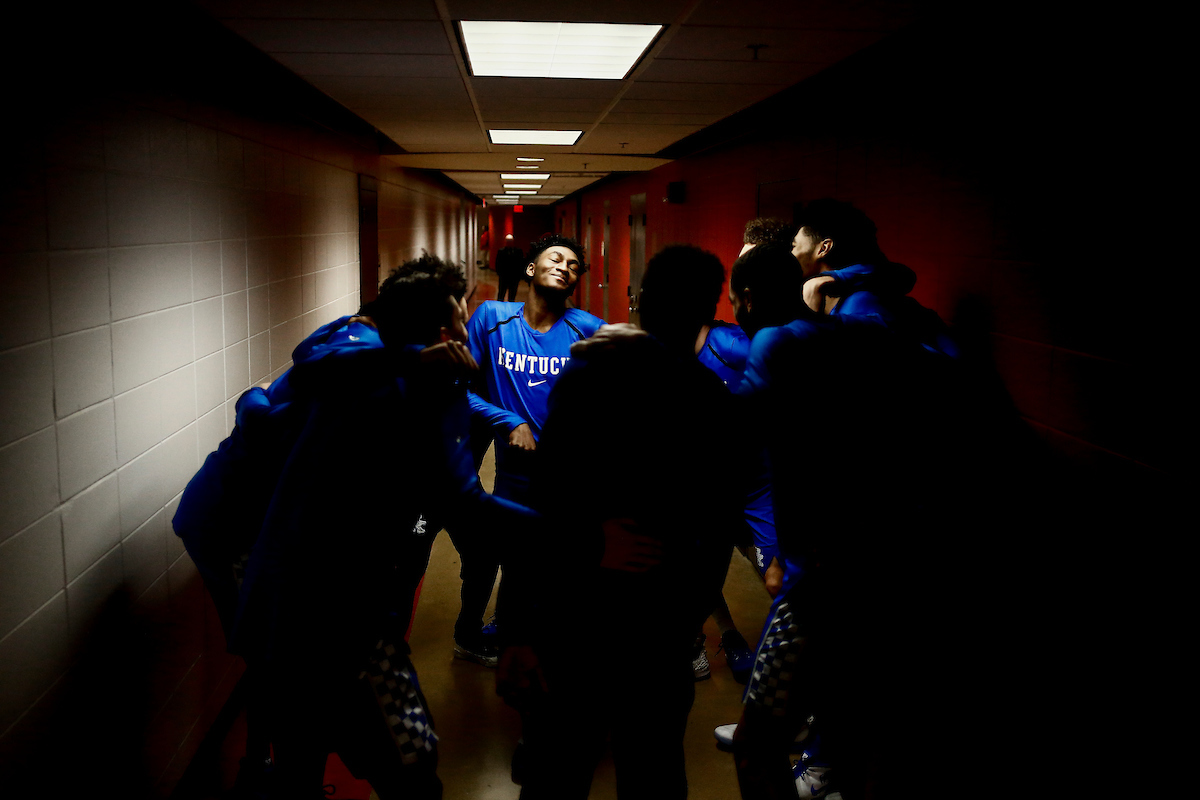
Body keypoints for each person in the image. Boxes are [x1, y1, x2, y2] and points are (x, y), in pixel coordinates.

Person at [233, 255, 538, 800]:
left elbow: (292, 374)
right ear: (440, 334)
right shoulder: (412, 386)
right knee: (413, 764)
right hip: (345, 621)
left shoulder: (344, 371)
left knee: (299, 758)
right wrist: (570, 534)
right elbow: (465, 501)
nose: (468, 331)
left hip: (279, 600)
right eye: (460, 320)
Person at [498, 245, 743, 800]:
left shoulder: (592, 376)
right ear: (708, 313)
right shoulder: (712, 401)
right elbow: (719, 533)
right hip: (659, 632)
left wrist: (521, 628)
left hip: (575, 619)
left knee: (558, 773)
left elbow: (544, 504)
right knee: (653, 774)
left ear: (638, 301)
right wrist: (684, 620)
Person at [450, 234, 604, 665]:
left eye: (574, 265)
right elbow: (458, 389)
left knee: (566, 565)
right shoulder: (493, 319)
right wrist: (509, 420)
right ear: (530, 270)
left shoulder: (589, 329)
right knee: (512, 556)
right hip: (515, 471)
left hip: (572, 473)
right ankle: (502, 629)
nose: (565, 266)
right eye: (555, 258)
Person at [495, 233, 526, 302]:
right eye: (508, 241)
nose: (509, 243)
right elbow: (498, 264)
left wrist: (520, 276)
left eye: (510, 241)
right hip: (504, 277)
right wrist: (500, 274)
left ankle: (510, 309)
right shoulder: (501, 251)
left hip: (514, 277)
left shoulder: (518, 252)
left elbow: (521, 263)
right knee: (501, 294)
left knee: (512, 295)